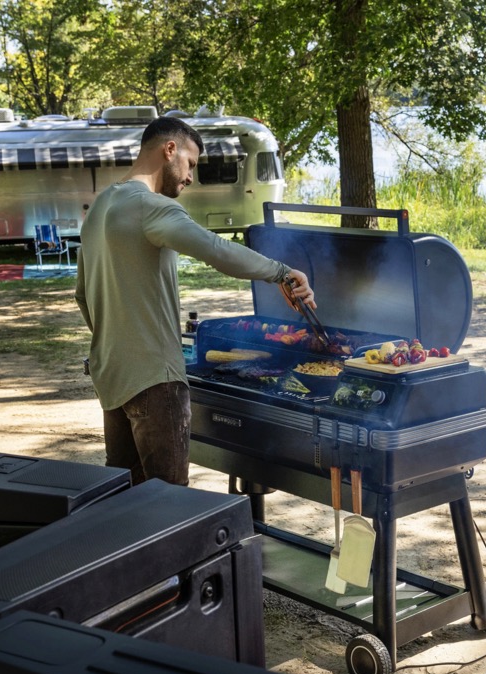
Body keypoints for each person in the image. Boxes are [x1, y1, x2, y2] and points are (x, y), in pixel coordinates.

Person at [76, 116, 315, 486]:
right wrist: (282, 271)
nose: (190, 177)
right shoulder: (151, 207)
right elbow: (216, 249)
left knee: (124, 501)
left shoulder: (99, 208)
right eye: (190, 164)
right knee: (171, 502)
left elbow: (83, 296)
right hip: (156, 381)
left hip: (112, 377)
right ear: (169, 150)